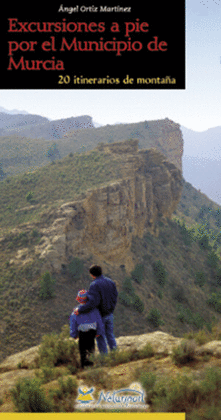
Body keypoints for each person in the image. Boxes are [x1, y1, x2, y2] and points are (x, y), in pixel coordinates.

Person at [74, 265, 118, 354]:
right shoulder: (110, 282)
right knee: (110, 335)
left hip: (99, 315)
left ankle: (104, 358)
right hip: (109, 313)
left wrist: (80, 309)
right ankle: (115, 354)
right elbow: (115, 297)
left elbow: (93, 302)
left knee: (100, 337)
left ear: (92, 275)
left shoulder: (94, 285)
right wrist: (111, 309)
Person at [69, 289, 105, 368]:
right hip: (92, 331)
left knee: (82, 350)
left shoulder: (76, 311)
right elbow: (99, 320)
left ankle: (84, 366)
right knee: (91, 348)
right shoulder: (94, 309)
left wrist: (74, 334)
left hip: (82, 332)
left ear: (79, 299)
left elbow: (73, 323)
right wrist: (99, 331)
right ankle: (91, 365)